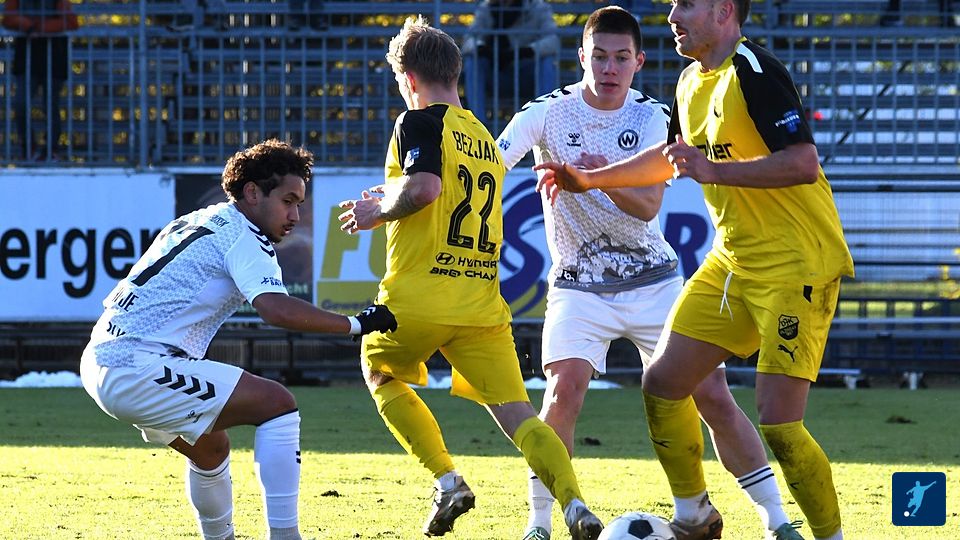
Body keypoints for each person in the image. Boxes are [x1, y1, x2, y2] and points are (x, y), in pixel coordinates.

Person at [534, 1, 854, 539]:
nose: (673, 15)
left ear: (724, 10)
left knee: (780, 423)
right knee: (663, 382)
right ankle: (693, 517)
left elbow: (803, 162)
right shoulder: (689, 81)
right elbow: (671, 158)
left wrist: (712, 169)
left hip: (797, 264)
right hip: (733, 262)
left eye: (685, 3)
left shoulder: (754, 71)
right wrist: (591, 180)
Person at [336, 16, 603, 540]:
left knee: (378, 370)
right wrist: (395, 194)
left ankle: (447, 480)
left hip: (418, 297)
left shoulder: (417, 121)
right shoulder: (483, 137)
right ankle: (574, 504)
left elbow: (425, 190)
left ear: (409, 78)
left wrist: (377, 211)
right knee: (521, 417)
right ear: (456, 74)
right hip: (480, 304)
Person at [79, 139, 398, 540]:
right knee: (278, 405)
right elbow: (275, 309)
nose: (296, 215)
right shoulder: (245, 236)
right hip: (136, 367)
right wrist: (356, 324)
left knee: (210, 449)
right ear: (252, 192)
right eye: (288, 201)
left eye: (299, 204)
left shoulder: (198, 220)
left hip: (101, 358)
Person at [2, 0, 78, 162]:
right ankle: (28, 147)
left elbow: (71, 21)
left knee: (50, 104)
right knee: (21, 103)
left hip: (54, 55)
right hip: (26, 56)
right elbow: (8, 18)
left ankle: (51, 149)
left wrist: (39, 28)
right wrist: (29, 26)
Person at [461, 0, 559, 125]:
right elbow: (468, 41)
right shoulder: (486, 8)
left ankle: (545, 123)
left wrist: (528, 51)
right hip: (496, 76)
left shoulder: (538, 7)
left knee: (546, 63)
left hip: (526, 75)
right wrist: (482, 49)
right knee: (472, 63)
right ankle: (477, 126)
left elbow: (553, 41)